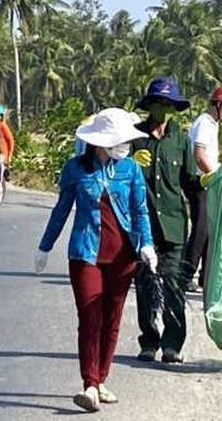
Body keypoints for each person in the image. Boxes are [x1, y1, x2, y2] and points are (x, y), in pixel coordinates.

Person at [34, 108, 156, 412]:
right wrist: (44, 247)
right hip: (85, 254)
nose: (126, 145)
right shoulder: (75, 169)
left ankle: (102, 378)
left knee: (112, 319)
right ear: (101, 142)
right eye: (120, 139)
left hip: (123, 257)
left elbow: (140, 211)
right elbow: (61, 210)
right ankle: (89, 383)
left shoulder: (130, 170)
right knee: (90, 316)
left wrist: (147, 245)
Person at [129, 77, 196, 364]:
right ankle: (149, 341)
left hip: (174, 226)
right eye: (158, 103)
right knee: (145, 285)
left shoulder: (181, 141)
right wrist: (130, 163)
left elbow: (192, 184)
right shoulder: (134, 138)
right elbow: (119, 177)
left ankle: (172, 344)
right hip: (143, 229)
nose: (162, 109)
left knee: (172, 285)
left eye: (168, 104)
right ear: (150, 105)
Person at [184, 86, 222, 291]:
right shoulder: (204, 124)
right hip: (200, 182)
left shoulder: (212, 124)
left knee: (211, 230)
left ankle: (206, 277)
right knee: (201, 229)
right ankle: (187, 273)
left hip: (208, 181)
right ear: (219, 105)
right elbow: (199, 155)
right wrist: (215, 177)